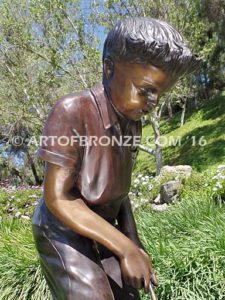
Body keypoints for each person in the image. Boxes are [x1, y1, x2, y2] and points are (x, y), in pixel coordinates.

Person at [32, 17, 200, 300]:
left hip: (104, 227)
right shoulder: (71, 111)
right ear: (109, 68)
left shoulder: (133, 124)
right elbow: (58, 197)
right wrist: (125, 248)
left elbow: (120, 194)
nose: (154, 102)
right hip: (61, 230)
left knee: (129, 295)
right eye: (145, 89)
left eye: (161, 93)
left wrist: (133, 243)